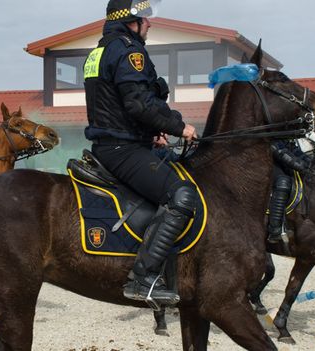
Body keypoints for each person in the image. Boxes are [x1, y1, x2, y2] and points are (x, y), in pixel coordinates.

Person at [83, 0, 197, 305]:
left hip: (120, 141)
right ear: (130, 20)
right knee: (181, 195)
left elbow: (117, 104)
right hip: (122, 148)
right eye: (145, 18)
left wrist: (152, 133)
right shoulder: (128, 51)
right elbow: (139, 103)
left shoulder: (101, 50)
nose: (150, 23)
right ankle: (144, 277)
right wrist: (179, 127)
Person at [267, 139, 311, 243]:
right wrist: (294, 162)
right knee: (283, 182)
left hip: (282, 157)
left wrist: (309, 161)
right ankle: (275, 229)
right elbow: (274, 146)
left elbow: (290, 147)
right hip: (265, 157)